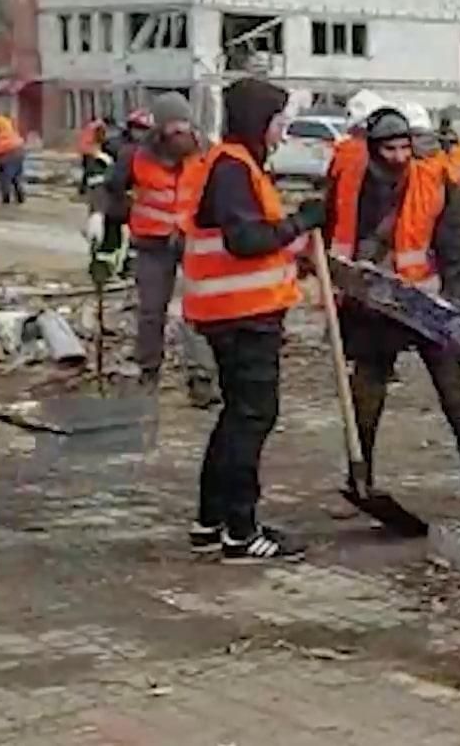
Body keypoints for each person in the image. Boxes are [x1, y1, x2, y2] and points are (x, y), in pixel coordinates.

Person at [180, 77, 326, 564]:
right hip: (243, 315)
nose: (282, 130)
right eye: (277, 120)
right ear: (257, 120)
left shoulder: (234, 166)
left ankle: (210, 523)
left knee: (235, 418)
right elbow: (245, 239)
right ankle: (241, 533)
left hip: (232, 312)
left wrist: (294, 242)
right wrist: (301, 222)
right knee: (251, 419)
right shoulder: (232, 169)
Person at [323, 107, 460, 509]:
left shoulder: (435, 182)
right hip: (372, 304)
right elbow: (333, 234)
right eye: (390, 148)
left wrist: (457, 305)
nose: (399, 156)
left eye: (404, 146)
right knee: (366, 398)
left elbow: (457, 250)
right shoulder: (349, 182)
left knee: (455, 398)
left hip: (424, 304)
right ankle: (359, 484)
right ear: (373, 147)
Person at [88, 92, 218, 409]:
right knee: (150, 312)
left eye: (184, 125)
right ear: (159, 130)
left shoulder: (207, 154)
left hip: (194, 243)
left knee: (198, 312)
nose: (181, 133)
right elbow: (109, 189)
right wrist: (98, 215)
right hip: (152, 244)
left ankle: (201, 379)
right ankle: (148, 374)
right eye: (173, 127)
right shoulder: (136, 156)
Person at [76, 116, 111, 193]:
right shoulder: (100, 126)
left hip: (84, 147)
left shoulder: (92, 124)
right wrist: (105, 142)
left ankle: (83, 188)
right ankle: (84, 188)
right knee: (90, 169)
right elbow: (100, 138)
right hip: (90, 149)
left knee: (87, 168)